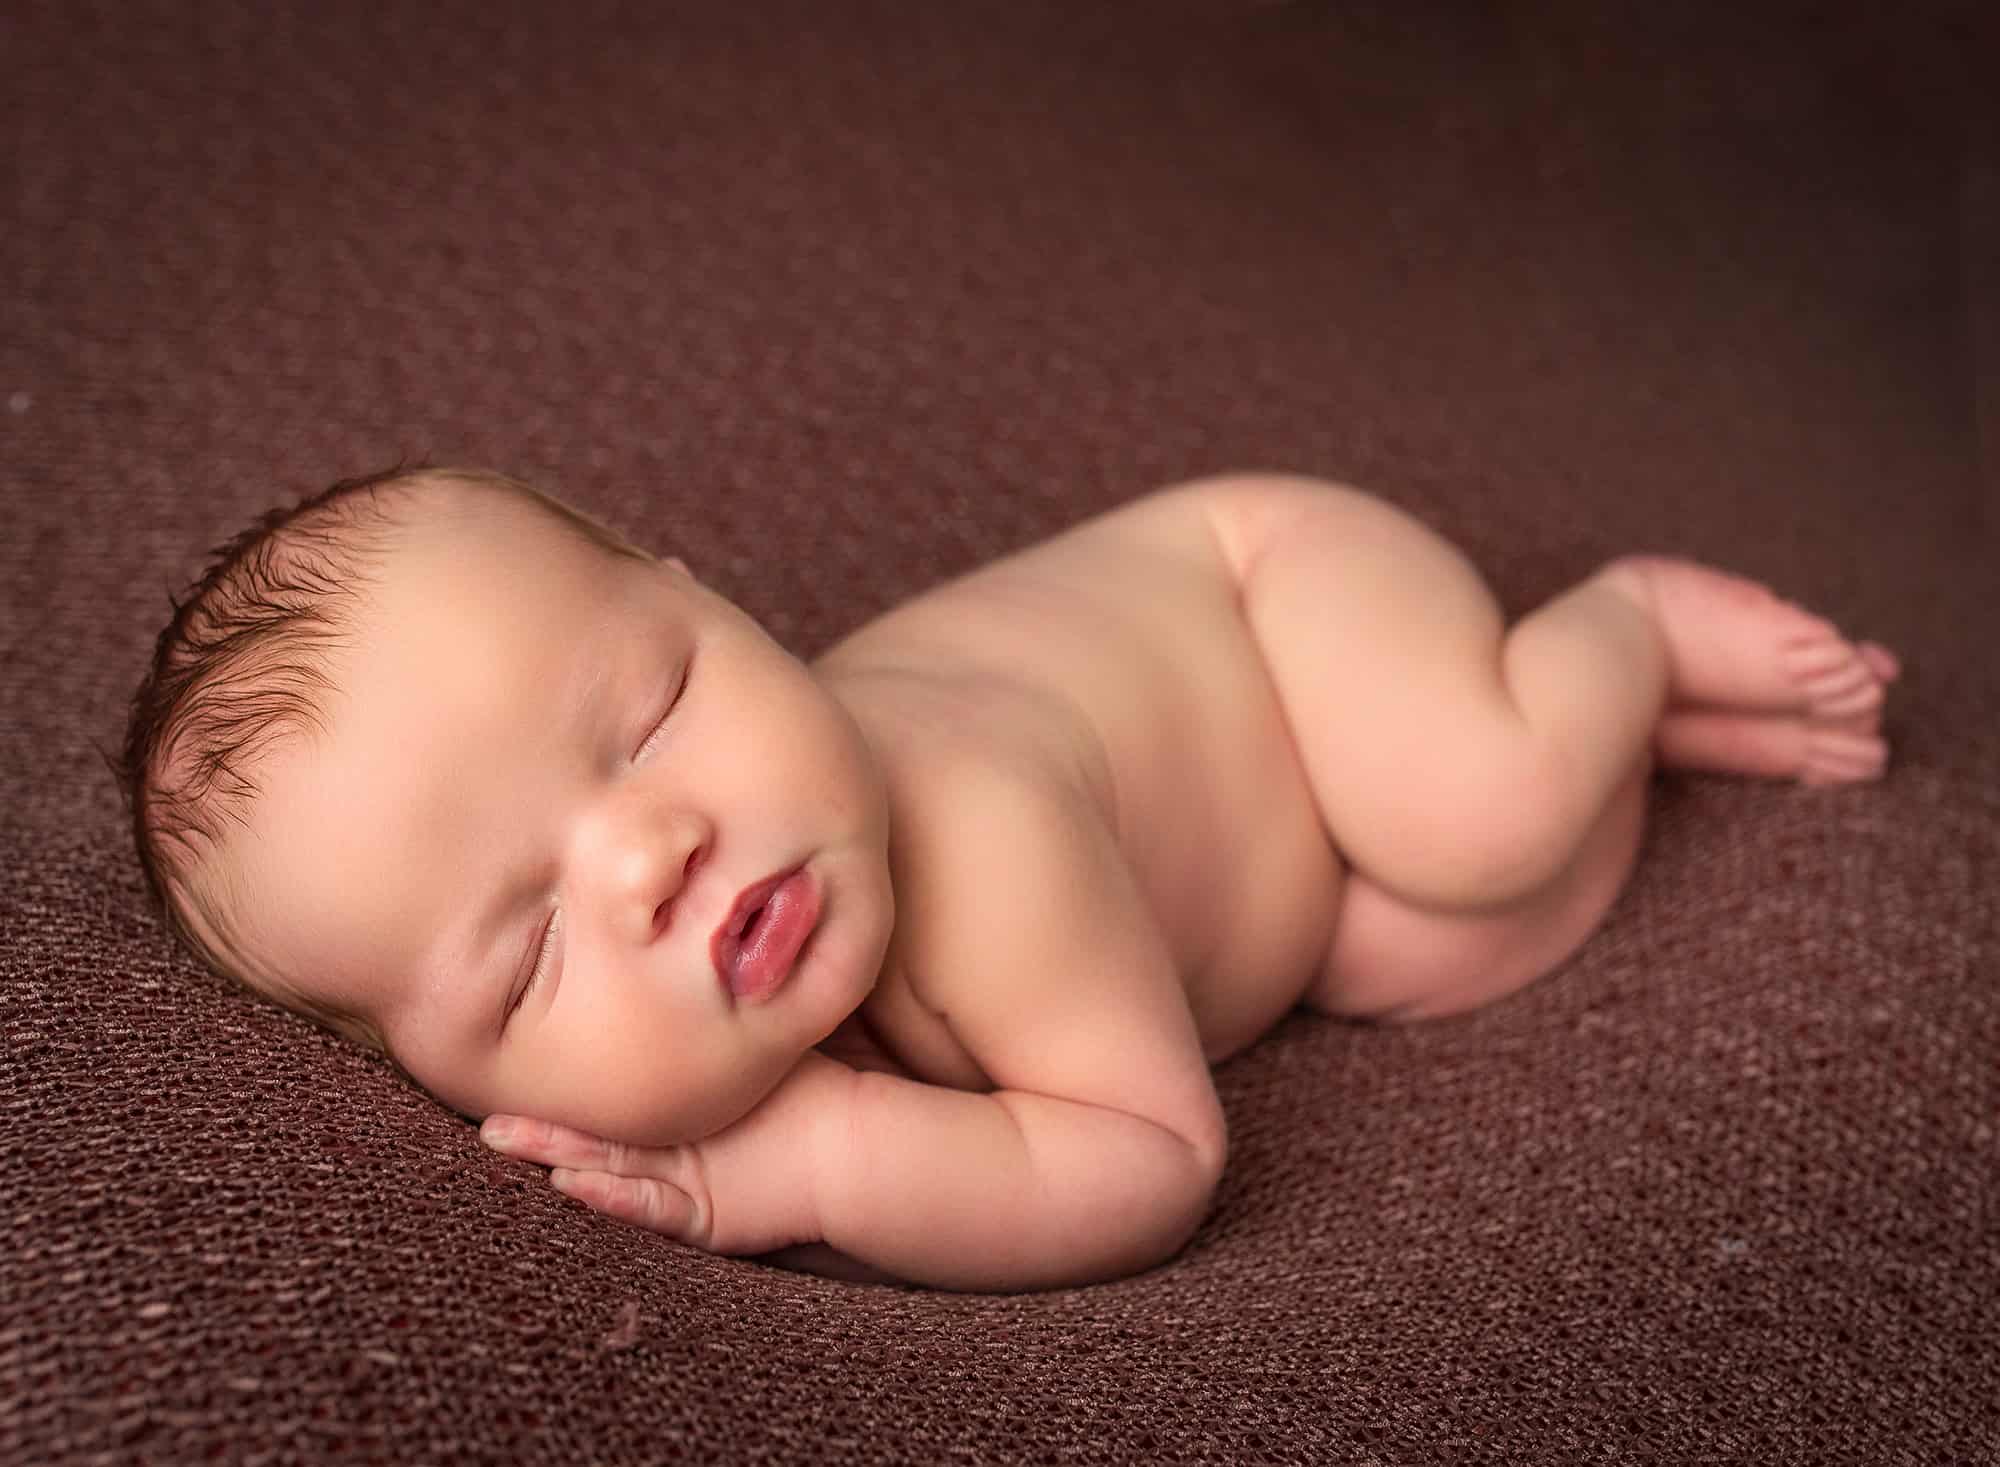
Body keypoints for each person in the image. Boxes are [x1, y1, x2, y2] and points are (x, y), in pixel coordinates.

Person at [114, 465, 1901, 1291]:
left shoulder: (978, 843)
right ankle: (1637, 737)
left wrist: (816, 1155)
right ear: (455, 1086)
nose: (650, 857)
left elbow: (1154, 1160)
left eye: (655, 713)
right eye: (528, 962)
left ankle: (1618, 630)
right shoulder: (741, 878)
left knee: (1477, 816)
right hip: (1260, 854)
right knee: (1423, 943)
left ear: (716, 595)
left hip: (1274, 597)